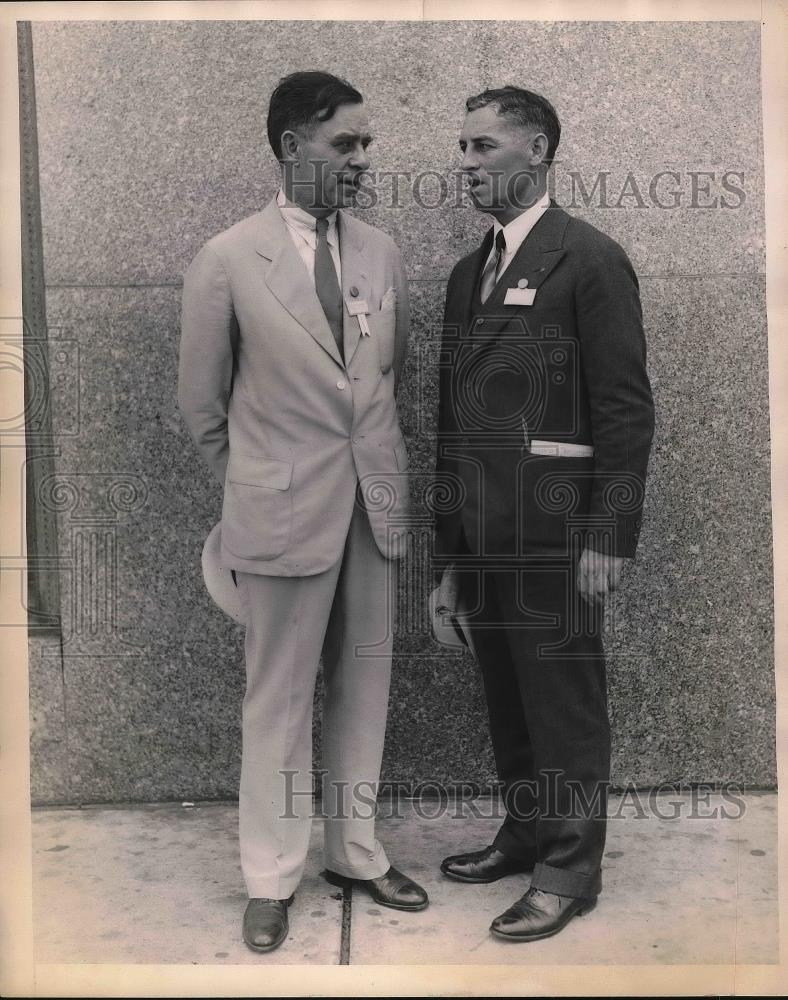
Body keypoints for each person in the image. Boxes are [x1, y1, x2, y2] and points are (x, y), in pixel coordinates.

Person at [178, 71, 427, 955]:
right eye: (345, 145)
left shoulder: (380, 253)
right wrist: (263, 482)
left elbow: (383, 383)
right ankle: (270, 875)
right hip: (281, 519)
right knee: (277, 703)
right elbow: (203, 408)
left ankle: (355, 852)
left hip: (374, 512)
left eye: (367, 144)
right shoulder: (228, 258)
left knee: (365, 689)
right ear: (293, 147)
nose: (364, 160)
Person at [433, 86, 654, 942]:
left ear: (537, 151)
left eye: (484, 147)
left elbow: (627, 409)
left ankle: (569, 867)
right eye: (463, 148)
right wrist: (450, 560)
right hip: (485, 537)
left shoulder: (589, 260)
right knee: (509, 697)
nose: (468, 165)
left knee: (562, 700)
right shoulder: (468, 274)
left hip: (557, 535)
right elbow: (454, 427)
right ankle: (526, 832)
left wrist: (611, 534)